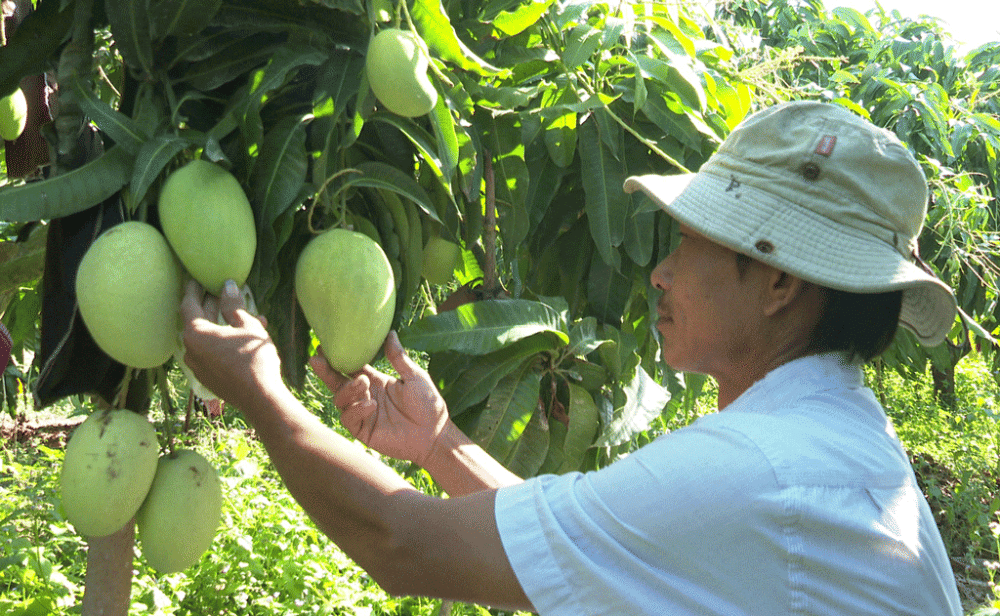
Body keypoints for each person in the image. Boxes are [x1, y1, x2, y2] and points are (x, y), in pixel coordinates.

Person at [180, 100, 964, 615]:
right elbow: (585, 539)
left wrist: (259, 387)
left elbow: (400, 542)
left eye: (688, 244)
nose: (660, 271)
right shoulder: (831, 445)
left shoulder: (762, 472)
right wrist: (439, 444)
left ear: (780, 282)